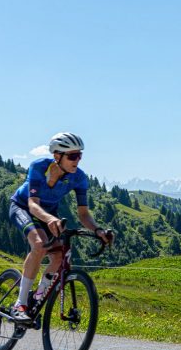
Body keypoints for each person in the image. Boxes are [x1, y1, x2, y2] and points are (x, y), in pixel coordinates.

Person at [8, 132, 111, 321]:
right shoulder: (39, 167)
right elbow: (32, 204)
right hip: (23, 207)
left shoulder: (79, 178)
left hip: (48, 213)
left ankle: (37, 297)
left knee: (59, 255)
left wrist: (98, 230)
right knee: (39, 245)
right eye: (72, 156)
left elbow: (83, 215)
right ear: (57, 156)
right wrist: (49, 220)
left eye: (79, 155)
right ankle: (20, 304)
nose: (77, 160)